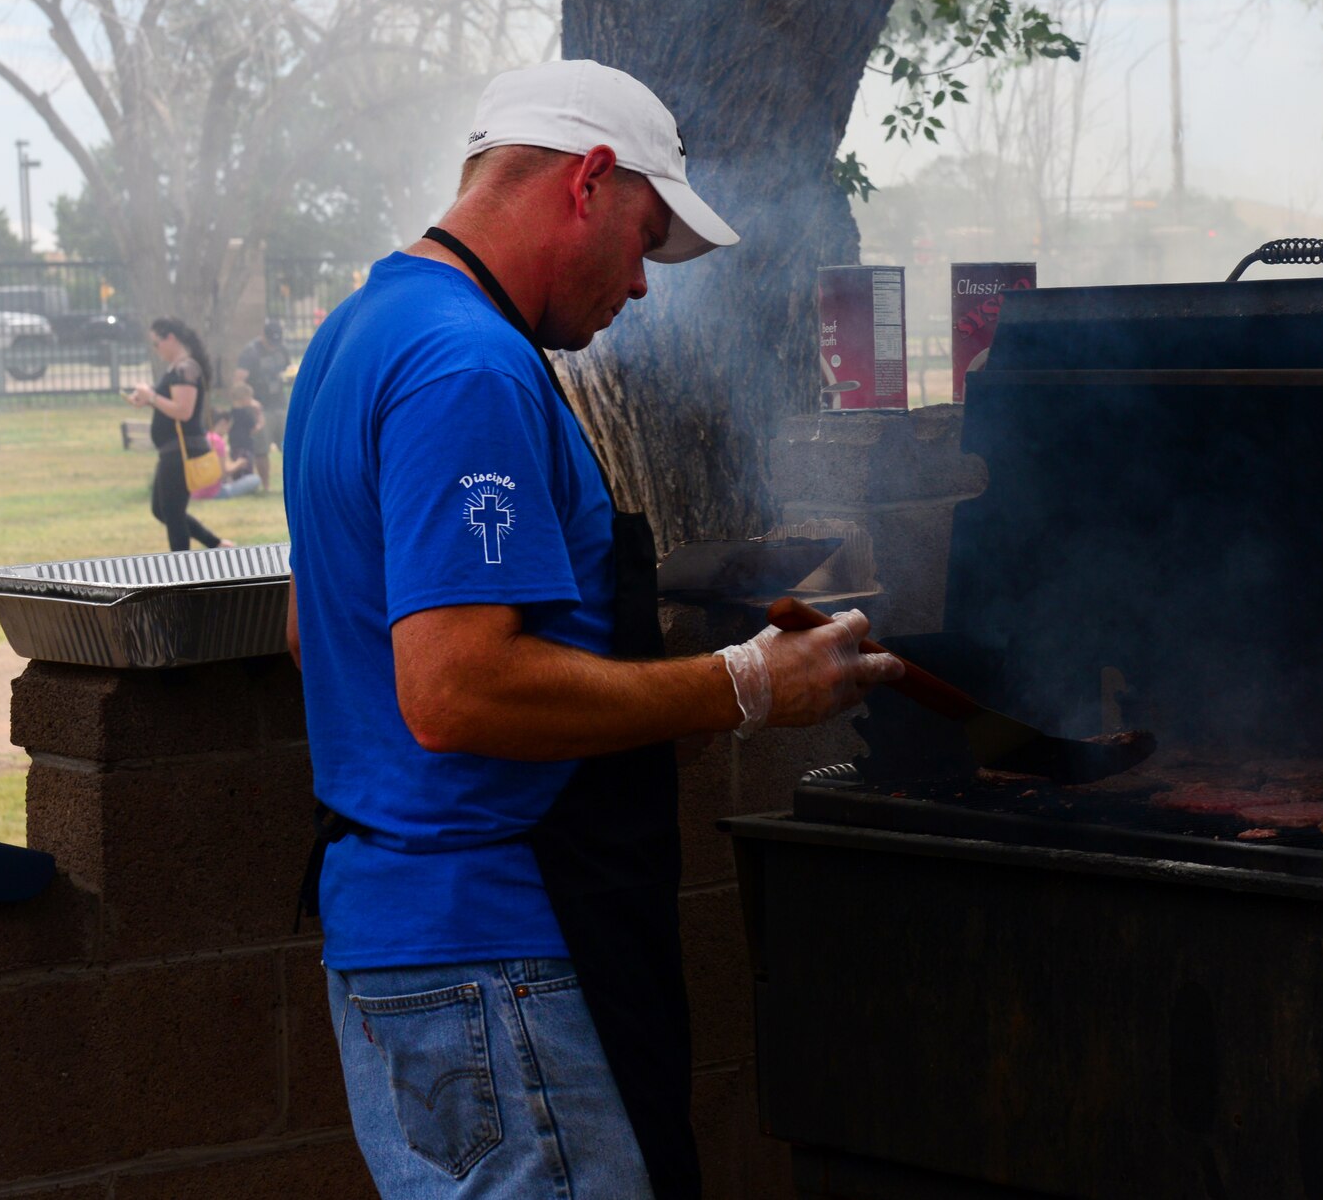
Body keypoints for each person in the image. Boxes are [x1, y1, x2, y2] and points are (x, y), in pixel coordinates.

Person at [284, 59, 902, 1200]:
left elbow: (316, 630)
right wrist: (745, 685)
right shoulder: (468, 365)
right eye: (645, 239)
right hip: (493, 947)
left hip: (397, 942)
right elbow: (455, 691)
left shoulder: (358, 332)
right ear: (590, 181)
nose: (643, 287)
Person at [127, 317, 233, 552]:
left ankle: (183, 568)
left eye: (157, 343)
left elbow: (183, 411)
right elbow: (172, 406)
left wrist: (152, 397)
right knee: (162, 509)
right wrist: (148, 398)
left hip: (181, 451)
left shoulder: (186, 369)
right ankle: (215, 543)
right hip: (172, 451)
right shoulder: (177, 369)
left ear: (171, 338)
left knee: (172, 513)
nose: (156, 349)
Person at [235, 319, 291, 427]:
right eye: (270, 343)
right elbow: (238, 381)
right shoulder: (251, 352)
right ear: (263, 335)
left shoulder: (283, 349)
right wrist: (249, 401)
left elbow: (288, 370)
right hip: (260, 407)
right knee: (263, 441)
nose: (273, 346)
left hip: (280, 404)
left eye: (276, 343)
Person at [225, 383, 272, 492]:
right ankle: (246, 487)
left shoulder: (231, 411)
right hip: (245, 444)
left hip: (234, 444)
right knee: (246, 466)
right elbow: (254, 429)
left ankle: (237, 483)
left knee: (237, 464)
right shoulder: (246, 413)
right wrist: (260, 415)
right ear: (245, 398)